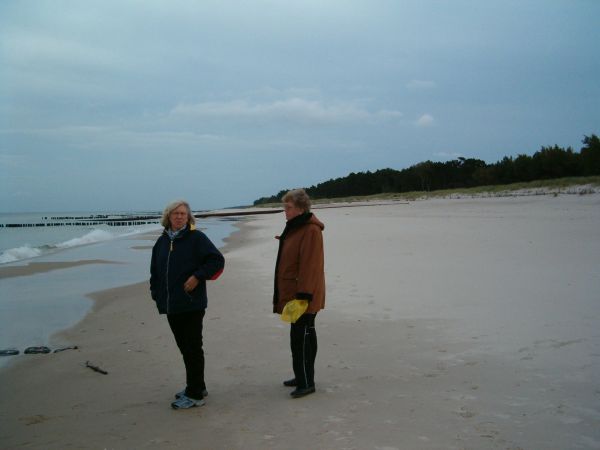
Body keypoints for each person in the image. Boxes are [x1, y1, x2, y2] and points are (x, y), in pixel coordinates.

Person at [150, 200, 224, 409]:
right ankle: (197, 386)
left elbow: (216, 260)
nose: (180, 217)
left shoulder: (196, 238)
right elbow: (155, 271)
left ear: (188, 217)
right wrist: (156, 294)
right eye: (176, 213)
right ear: (168, 216)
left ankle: (194, 395)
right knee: (185, 348)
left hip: (191, 304)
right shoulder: (162, 242)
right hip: (171, 305)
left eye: (183, 213)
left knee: (192, 348)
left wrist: (197, 277)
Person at [273, 189, 325, 398]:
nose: (285, 211)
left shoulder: (310, 230)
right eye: (284, 207)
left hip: (304, 294)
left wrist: (304, 295)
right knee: (302, 335)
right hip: (298, 292)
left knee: (301, 337)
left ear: (301, 208)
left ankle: (306, 382)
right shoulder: (296, 227)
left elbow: (310, 265)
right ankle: (302, 376)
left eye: (289, 207)